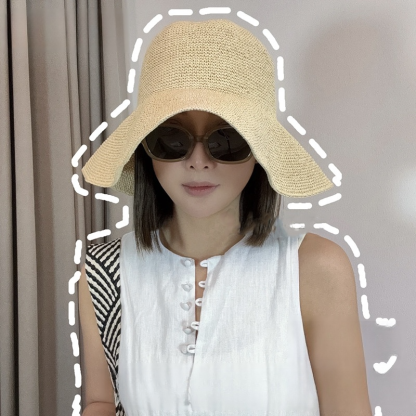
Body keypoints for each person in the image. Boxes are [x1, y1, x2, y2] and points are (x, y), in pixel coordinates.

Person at [78, 19, 372, 416]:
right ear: (145, 149)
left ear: (259, 150)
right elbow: (100, 401)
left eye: (226, 140)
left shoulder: (316, 269)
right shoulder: (104, 271)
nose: (198, 161)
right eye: (172, 139)